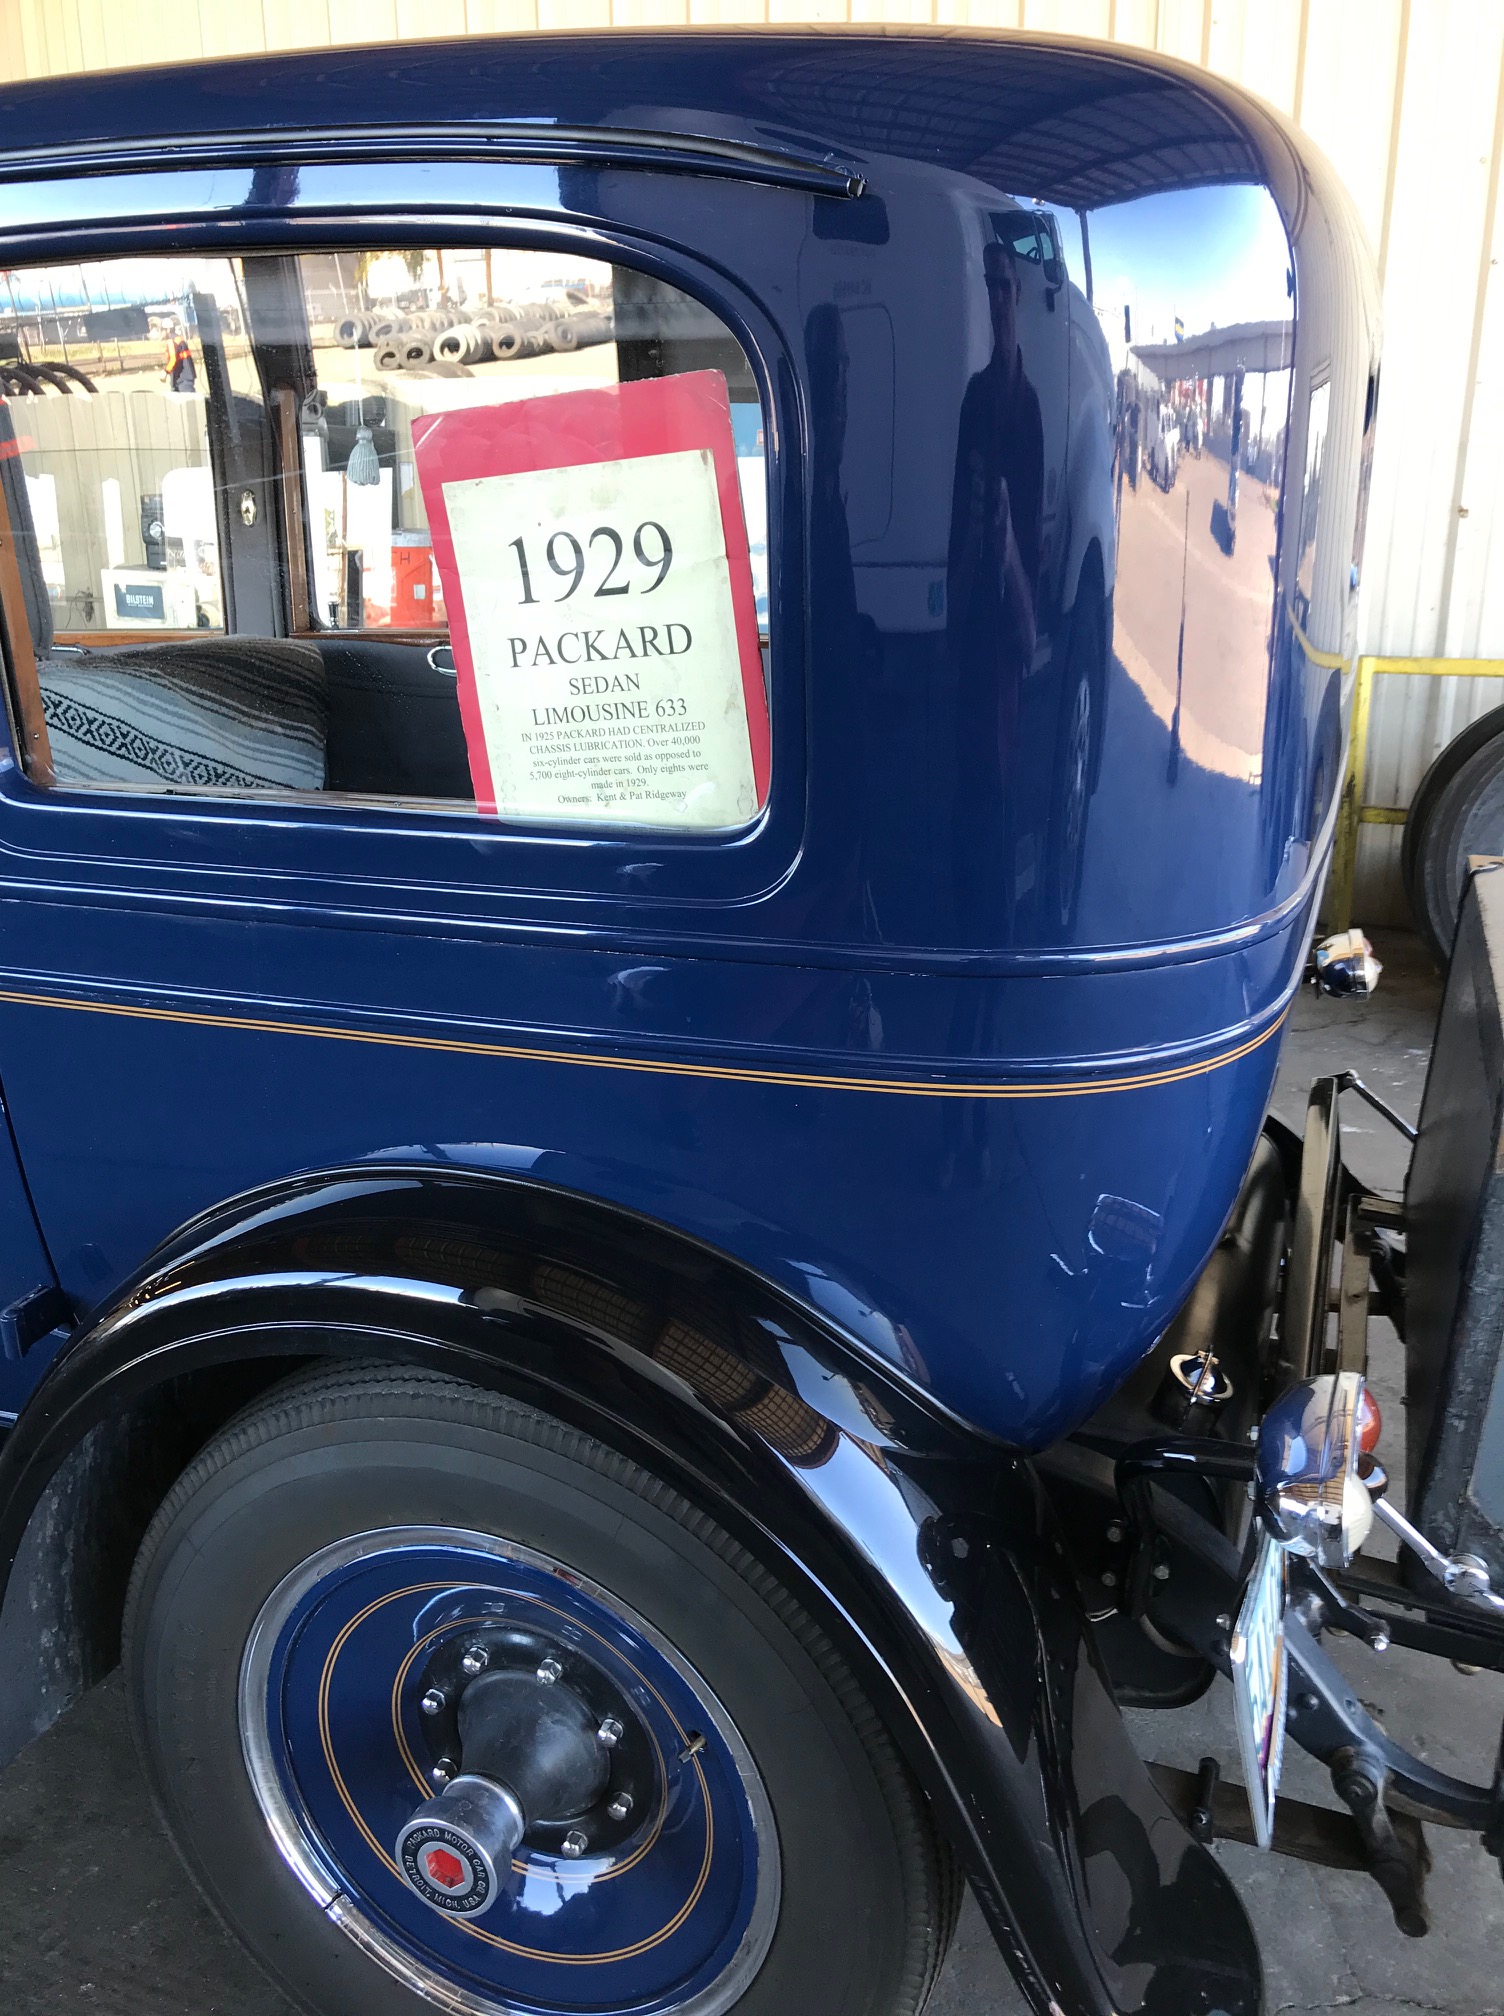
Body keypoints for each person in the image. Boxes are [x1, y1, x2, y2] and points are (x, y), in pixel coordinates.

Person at [164, 325, 196, 394]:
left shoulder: (171, 341)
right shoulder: (179, 339)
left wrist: (166, 371)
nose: (161, 333)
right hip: (185, 376)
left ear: (168, 330)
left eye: (162, 330)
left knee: (187, 399)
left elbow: (173, 359)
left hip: (182, 378)